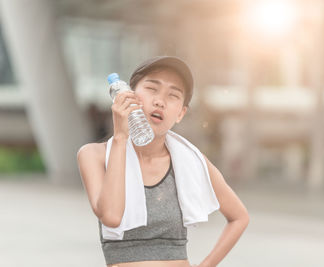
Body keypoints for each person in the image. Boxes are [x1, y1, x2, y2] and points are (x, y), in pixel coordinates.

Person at [77, 56, 250, 267]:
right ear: (128, 95)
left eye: (173, 95)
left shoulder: (191, 161)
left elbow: (239, 217)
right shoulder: (94, 155)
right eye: (152, 88)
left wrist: (205, 265)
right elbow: (111, 217)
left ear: (180, 113)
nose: (160, 101)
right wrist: (121, 138)